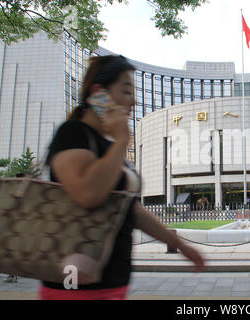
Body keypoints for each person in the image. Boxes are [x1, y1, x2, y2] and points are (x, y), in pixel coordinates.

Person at [39, 55, 205, 300]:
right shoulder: (73, 134)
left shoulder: (111, 147)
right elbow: (87, 194)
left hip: (112, 283)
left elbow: (130, 210)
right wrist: (122, 142)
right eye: (126, 91)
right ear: (99, 93)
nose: (134, 101)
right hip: (73, 283)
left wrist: (180, 245)